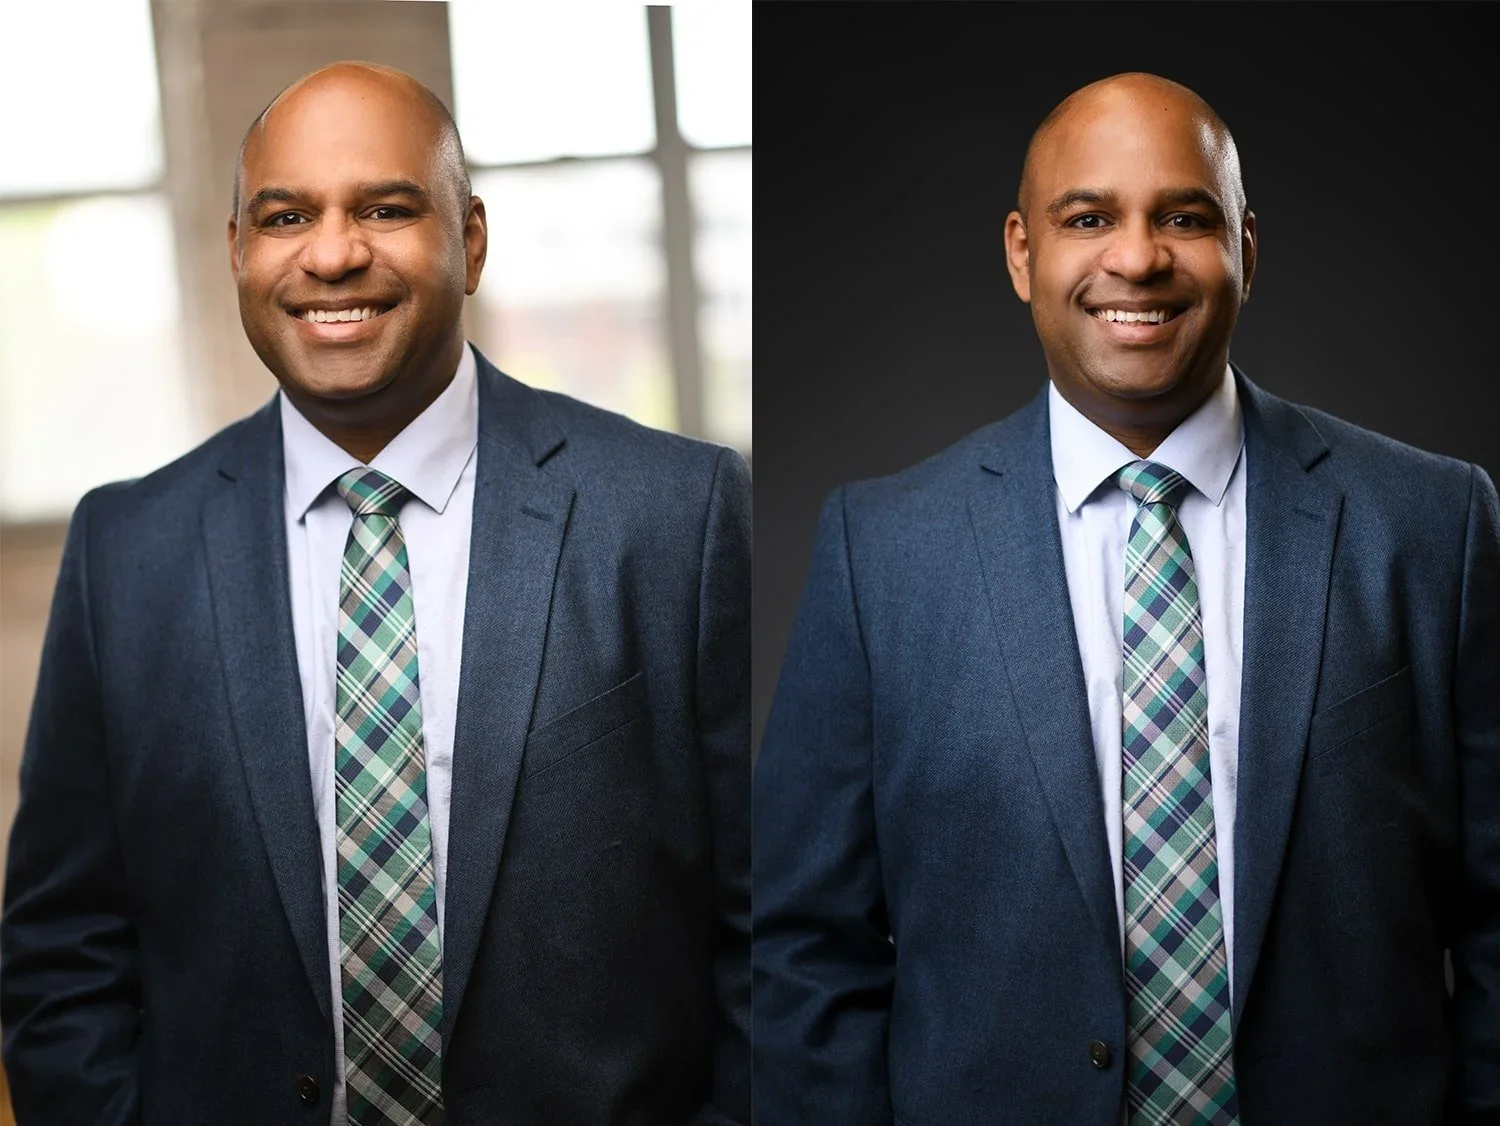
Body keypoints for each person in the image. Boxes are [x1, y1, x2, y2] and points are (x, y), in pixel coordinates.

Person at [1, 62, 750, 1126]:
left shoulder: (680, 515)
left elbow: (767, 926)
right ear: (237, 251)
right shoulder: (127, 549)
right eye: (286, 215)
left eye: (387, 208)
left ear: (471, 238)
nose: (334, 251)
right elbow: (60, 949)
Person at [752, 72, 1498, 1124]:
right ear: (1023, 252)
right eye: (1089, 217)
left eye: (1184, 218)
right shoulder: (880, 553)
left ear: (1247, 246)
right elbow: (801, 944)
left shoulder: (1433, 526)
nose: (1137, 256)